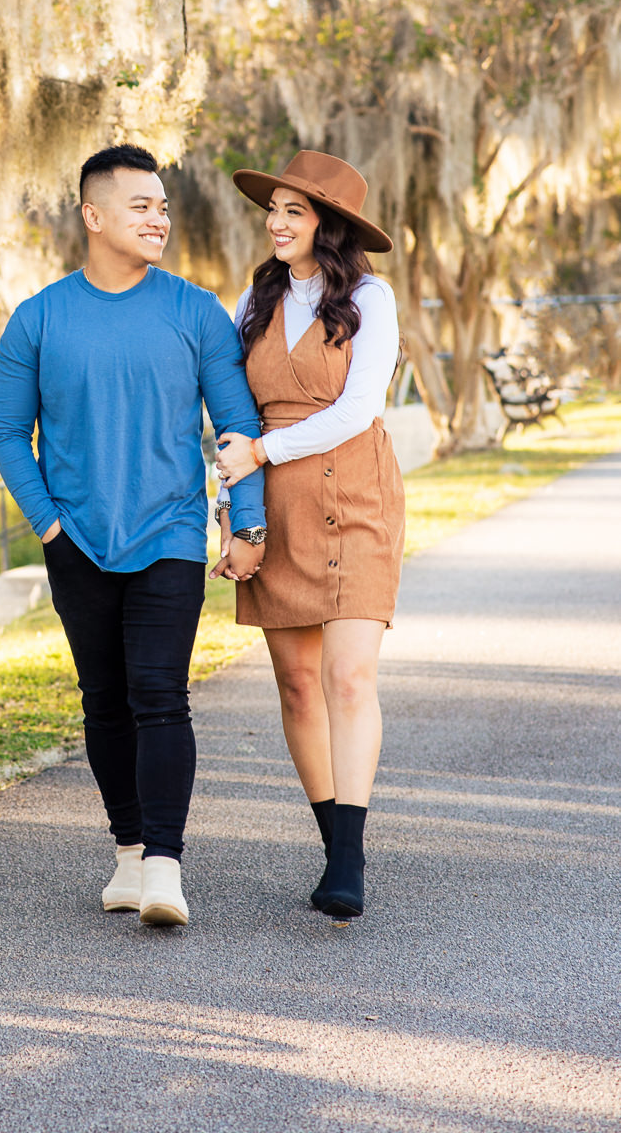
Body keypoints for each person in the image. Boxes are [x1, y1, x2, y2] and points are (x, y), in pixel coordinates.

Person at [0, 144, 266, 928]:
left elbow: (238, 429)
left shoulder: (195, 312)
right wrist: (48, 523)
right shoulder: (39, 318)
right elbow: (8, 433)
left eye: (164, 206)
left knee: (158, 696)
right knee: (103, 701)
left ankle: (167, 870)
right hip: (75, 539)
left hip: (171, 534)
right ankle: (127, 856)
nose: (159, 218)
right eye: (141, 205)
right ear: (94, 215)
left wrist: (247, 522)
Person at [213, 149, 404, 920]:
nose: (277, 222)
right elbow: (228, 417)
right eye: (273, 210)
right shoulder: (251, 302)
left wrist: (264, 448)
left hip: (356, 493)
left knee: (349, 678)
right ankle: (333, 846)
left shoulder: (369, 297)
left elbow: (359, 408)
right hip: (277, 508)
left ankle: (350, 861)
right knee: (296, 684)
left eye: (295, 210)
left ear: (329, 223)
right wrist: (236, 516)